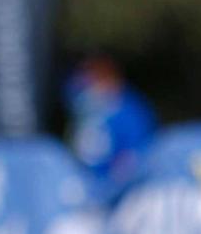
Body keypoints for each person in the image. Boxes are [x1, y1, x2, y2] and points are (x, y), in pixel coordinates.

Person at [63, 54, 157, 185]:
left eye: (91, 82)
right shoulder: (87, 113)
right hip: (84, 190)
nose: (85, 90)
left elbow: (136, 158)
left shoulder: (131, 113)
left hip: (121, 193)